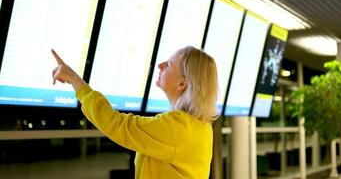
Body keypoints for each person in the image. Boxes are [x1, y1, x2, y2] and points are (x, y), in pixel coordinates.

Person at [51, 46, 219, 179]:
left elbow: (116, 124)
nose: (160, 65)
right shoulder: (200, 126)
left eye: (168, 65)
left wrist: (75, 80)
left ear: (182, 84)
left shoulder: (176, 127)